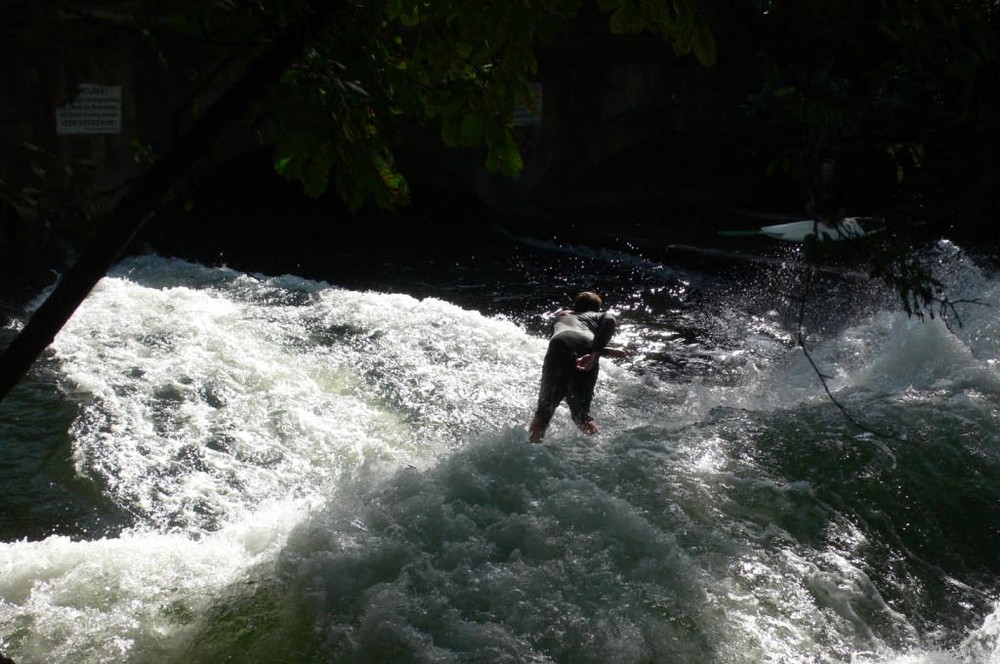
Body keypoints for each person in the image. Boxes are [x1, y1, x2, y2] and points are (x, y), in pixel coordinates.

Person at [528, 291, 630, 443]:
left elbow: (569, 342)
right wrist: (596, 354)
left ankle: (532, 446)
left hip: (557, 345)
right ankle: (597, 448)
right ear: (596, 309)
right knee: (581, 416)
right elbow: (609, 321)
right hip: (584, 346)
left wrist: (607, 351)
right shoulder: (598, 315)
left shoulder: (561, 316)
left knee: (543, 413)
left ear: (574, 306)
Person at [805, 158, 847, 228]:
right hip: (817, 223)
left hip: (836, 223)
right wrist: (822, 219)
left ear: (834, 172)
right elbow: (809, 209)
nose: (828, 174)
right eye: (825, 171)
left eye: (830, 171)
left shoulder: (839, 188)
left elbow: (843, 206)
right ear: (821, 172)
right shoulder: (814, 188)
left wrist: (837, 219)